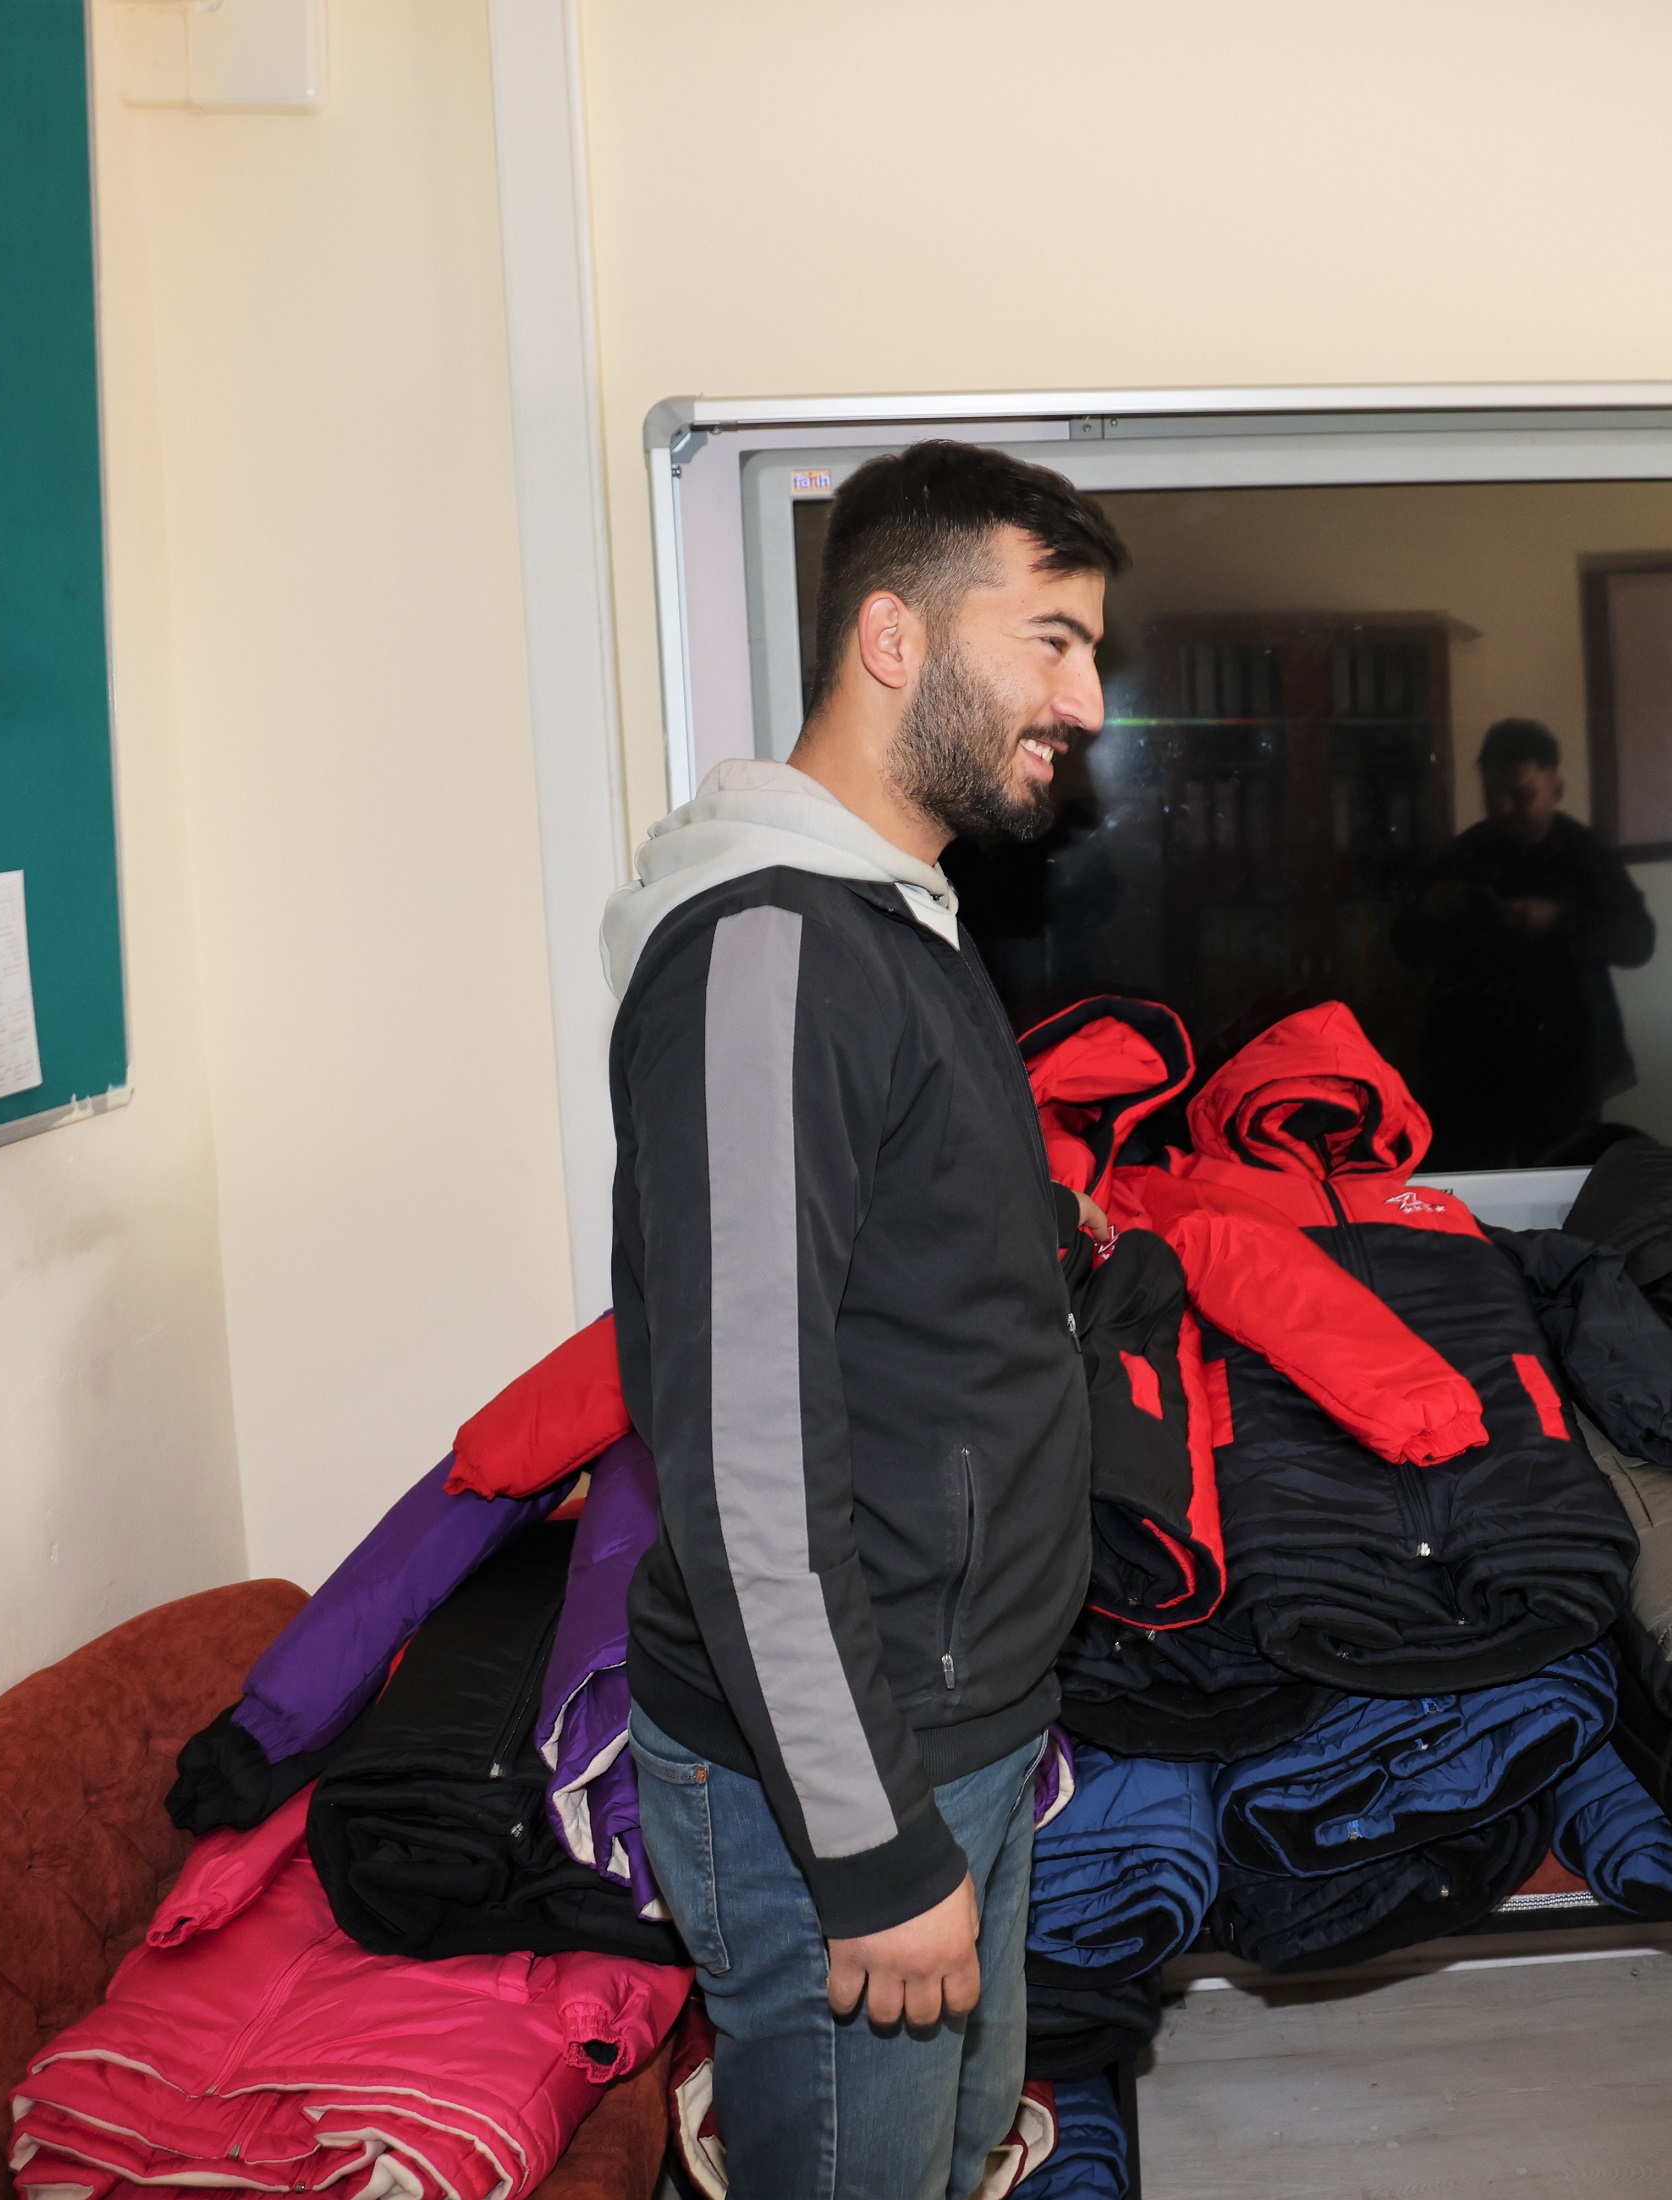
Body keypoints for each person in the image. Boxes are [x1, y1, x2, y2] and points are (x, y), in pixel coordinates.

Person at [597, 442, 1126, 2199]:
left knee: (955, 2155)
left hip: (955, 1716)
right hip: (845, 1775)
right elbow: (746, 1461)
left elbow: (868, 1253)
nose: (1086, 701)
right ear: (893, 638)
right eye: (1052, 641)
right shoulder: (774, 952)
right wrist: (874, 1850)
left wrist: (1033, 1230)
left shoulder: (895, 919)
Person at [1395, 718, 1656, 1169]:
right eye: (1492, 793)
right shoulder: (1463, 853)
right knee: (1471, 1182)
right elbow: (1405, 947)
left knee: (1560, 1181)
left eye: (1521, 795)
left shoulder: (1586, 854)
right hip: (1469, 1057)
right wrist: (1430, 911)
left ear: (1556, 789)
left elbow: (1638, 941)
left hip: (1563, 1055)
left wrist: (1560, 919)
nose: (1503, 807)